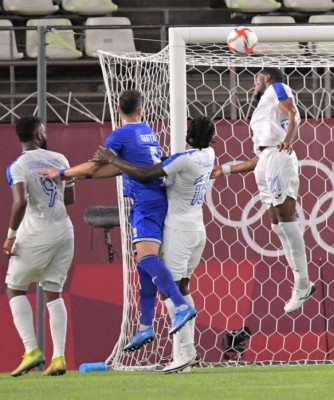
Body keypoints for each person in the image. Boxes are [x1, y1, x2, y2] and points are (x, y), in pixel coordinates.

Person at [38, 90, 195, 353]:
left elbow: (94, 165)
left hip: (145, 203)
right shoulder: (147, 131)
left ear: (117, 109)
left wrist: (62, 173)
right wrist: (81, 176)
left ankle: (181, 306)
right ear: (140, 109)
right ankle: (145, 325)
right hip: (154, 199)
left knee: (147, 260)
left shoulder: (120, 135)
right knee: (142, 265)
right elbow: (114, 168)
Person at [92, 116, 216, 373]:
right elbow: (163, 163)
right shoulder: (208, 155)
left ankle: (183, 355)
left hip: (179, 231)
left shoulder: (183, 159)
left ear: (189, 135)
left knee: (169, 291)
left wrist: (113, 159)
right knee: (183, 286)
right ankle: (190, 353)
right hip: (198, 230)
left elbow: (146, 173)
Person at [211, 67, 315, 314]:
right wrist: (224, 170)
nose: (254, 84)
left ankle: (303, 283)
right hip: (267, 159)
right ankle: (300, 283)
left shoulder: (277, 88)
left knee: (286, 218)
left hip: (278, 156)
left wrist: (289, 139)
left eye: (257, 79)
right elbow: (260, 157)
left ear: (267, 78)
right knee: (277, 223)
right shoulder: (265, 109)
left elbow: (293, 112)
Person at [4, 116, 75, 377]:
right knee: (53, 293)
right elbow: (70, 198)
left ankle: (32, 350)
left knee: (14, 288)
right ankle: (59, 357)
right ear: (38, 134)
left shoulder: (17, 166)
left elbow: (21, 201)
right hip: (64, 231)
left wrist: (11, 236)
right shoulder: (60, 159)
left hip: (36, 232)